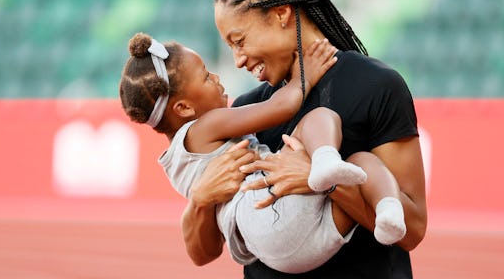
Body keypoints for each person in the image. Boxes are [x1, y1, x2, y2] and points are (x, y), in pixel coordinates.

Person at [181, 0, 428, 279]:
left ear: (282, 13)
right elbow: (203, 253)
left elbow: (411, 228)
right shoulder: (245, 111)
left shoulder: (377, 86)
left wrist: (323, 182)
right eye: (230, 48)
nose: (238, 60)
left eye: (239, 40)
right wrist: (199, 199)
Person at [119, 32, 407, 273]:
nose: (218, 77)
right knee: (324, 122)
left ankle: (386, 216)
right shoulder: (206, 126)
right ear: (184, 109)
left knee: (357, 169)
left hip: (277, 253)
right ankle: (331, 165)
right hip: (269, 208)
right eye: (206, 76)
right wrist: (305, 75)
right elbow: (280, 107)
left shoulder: (174, 162)